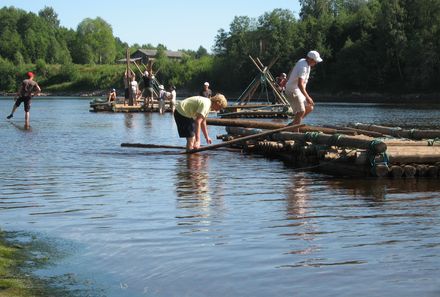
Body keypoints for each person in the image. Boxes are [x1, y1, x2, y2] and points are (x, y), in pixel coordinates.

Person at [284, 50, 323, 126]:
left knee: (309, 108)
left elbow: (292, 69)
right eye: (315, 61)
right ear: (310, 59)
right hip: (293, 90)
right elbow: (300, 84)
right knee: (301, 111)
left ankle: (293, 125)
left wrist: (287, 79)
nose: (316, 63)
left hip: (298, 90)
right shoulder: (303, 68)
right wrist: (308, 97)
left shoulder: (302, 60)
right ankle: (296, 132)